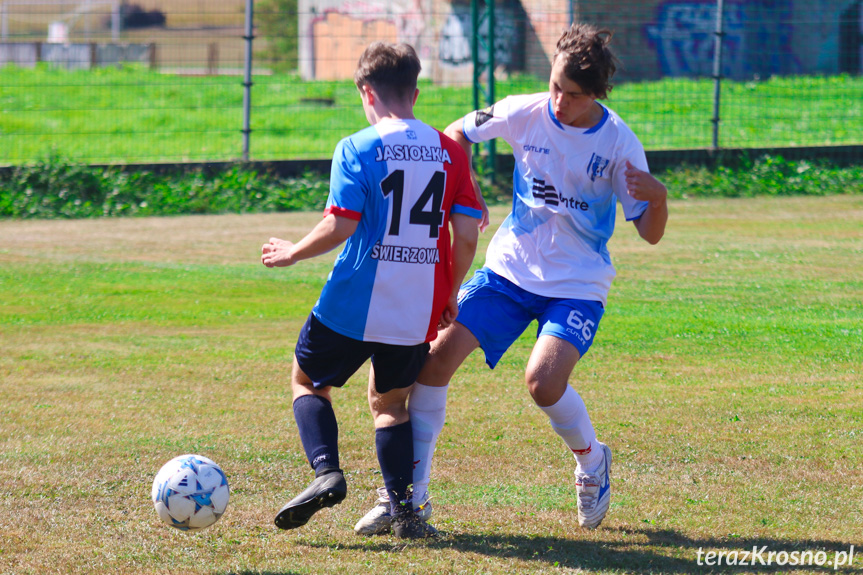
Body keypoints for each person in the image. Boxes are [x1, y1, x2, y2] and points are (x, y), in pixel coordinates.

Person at [355, 22, 668, 535]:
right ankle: (414, 501)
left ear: (597, 93)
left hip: (576, 284)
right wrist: (467, 190)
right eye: (554, 87)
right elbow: (455, 134)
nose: (559, 102)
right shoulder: (521, 110)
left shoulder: (618, 143)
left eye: (573, 95)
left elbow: (651, 234)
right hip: (507, 272)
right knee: (432, 364)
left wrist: (657, 197)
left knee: (543, 384)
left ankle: (592, 461)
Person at [262, 41, 482, 539]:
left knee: (308, 381)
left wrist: (292, 251)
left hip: (353, 302)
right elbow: (467, 233)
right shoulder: (450, 152)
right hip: (414, 306)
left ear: (366, 91)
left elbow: (341, 225)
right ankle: (404, 513)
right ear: (415, 92)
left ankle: (326, 472)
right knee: (391, 405)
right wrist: (450, 291)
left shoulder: (357, 147)